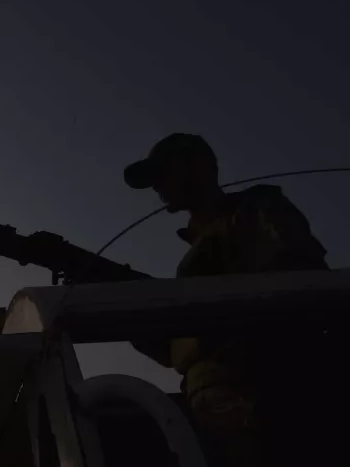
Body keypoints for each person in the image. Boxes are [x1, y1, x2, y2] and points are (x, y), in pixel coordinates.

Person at [123, 133, 330, 467]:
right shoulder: (199, 248)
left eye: (163, 173)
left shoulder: (256, 210)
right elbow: (176, 350)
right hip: (212, 402)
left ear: (197, 167)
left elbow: (301, 283)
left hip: (262, 394)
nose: (157, 187)